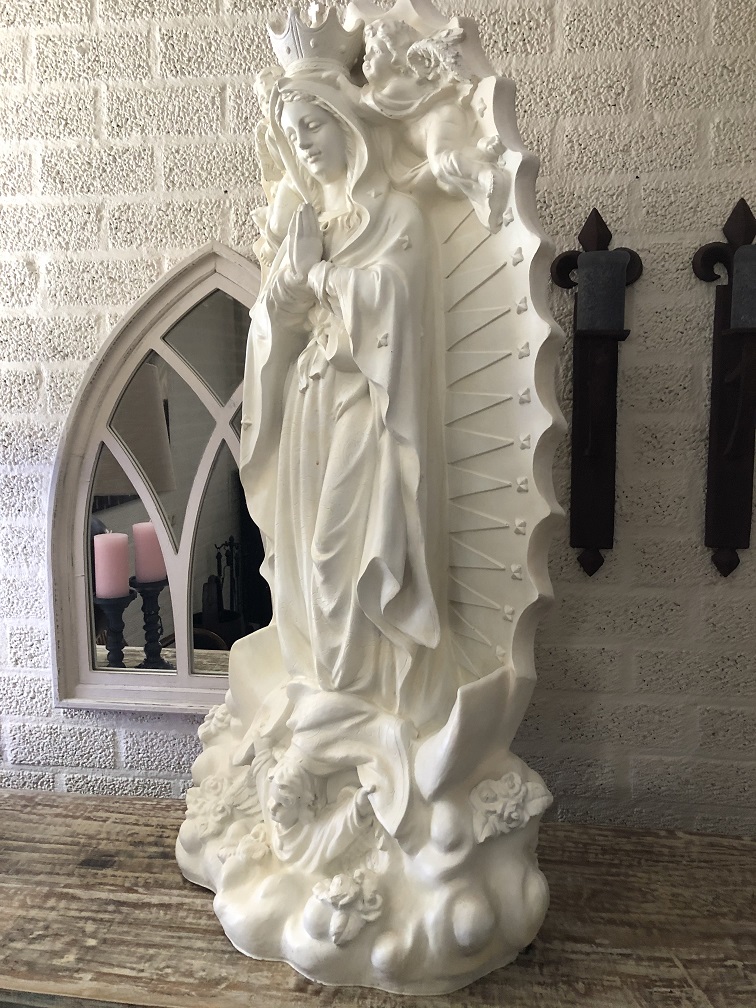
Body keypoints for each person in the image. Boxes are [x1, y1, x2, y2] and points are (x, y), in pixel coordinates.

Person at [239, 70, 460, 729]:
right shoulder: (305, 222)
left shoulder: (396, 216)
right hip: (307, 403)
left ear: (346, 128)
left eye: (313, 124)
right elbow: (271, 324)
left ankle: (358, 690)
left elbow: (395, 304)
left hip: (367, 408)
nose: (303, 142)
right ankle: (319, 680)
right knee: (304, 549)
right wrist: (291, 284)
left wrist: (321, 273)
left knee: (341, 549)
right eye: (292, 132)